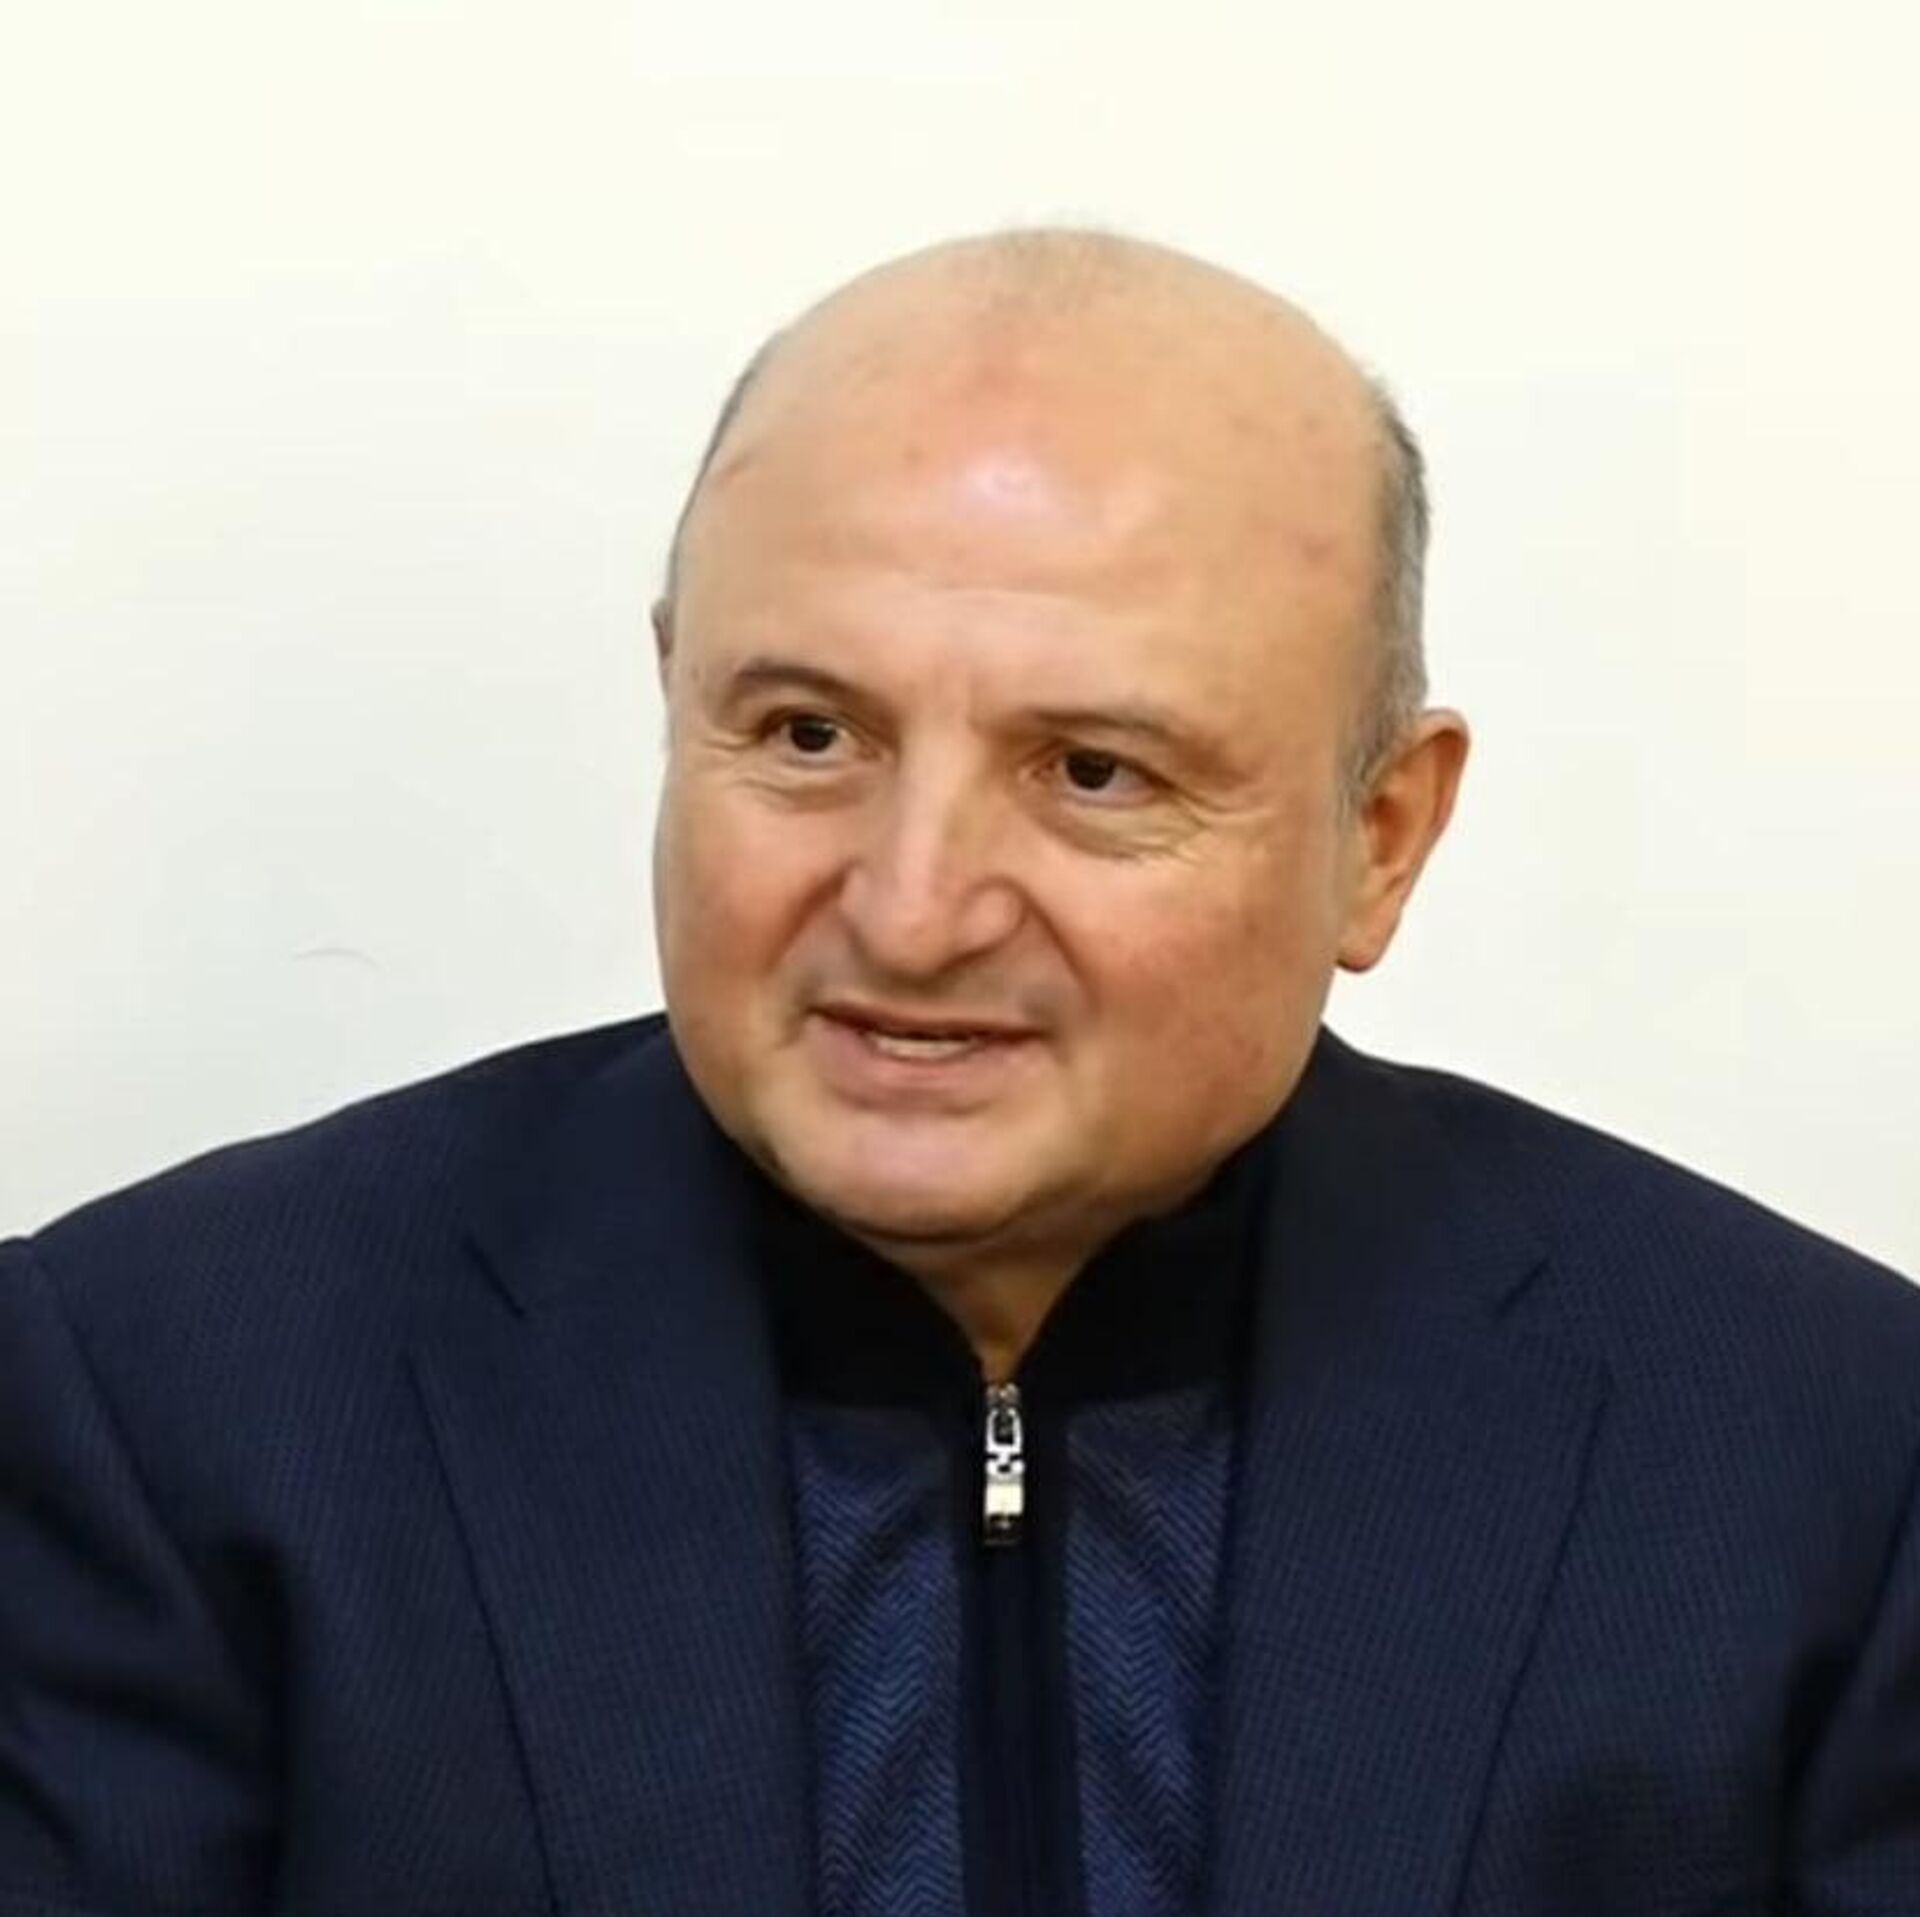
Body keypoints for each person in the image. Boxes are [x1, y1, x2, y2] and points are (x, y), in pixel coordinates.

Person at [2, 228, 1916, 1917]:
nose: (911, 911)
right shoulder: (164, 1402)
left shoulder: (1827, 1458)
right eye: (807, 733)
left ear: (1382, 835)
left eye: (1093, 771)